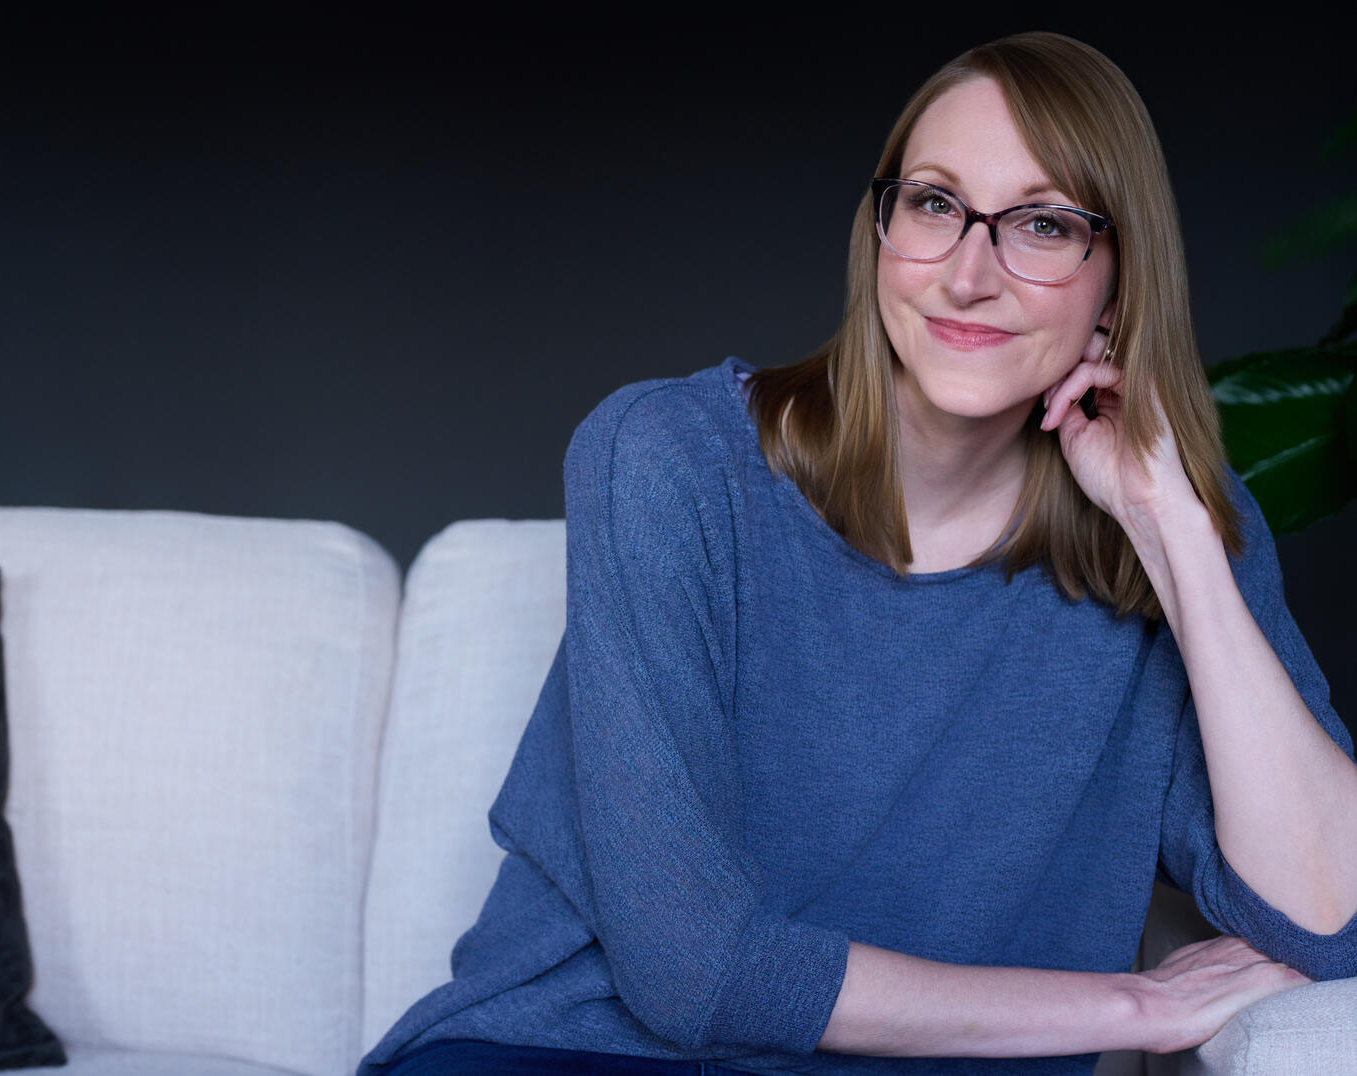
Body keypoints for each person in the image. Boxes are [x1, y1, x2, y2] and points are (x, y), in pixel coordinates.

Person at [358, 31, 1357, 1075]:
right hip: (575, 1053)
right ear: (878, 234)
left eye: (1044, 224)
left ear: (1117, 282)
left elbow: (1327, 925)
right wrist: (1128, 1004)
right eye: (933, 204)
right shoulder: (667, 461)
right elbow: (694, 969)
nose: (970, 274)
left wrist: (1170, 529)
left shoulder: (1168, 535)